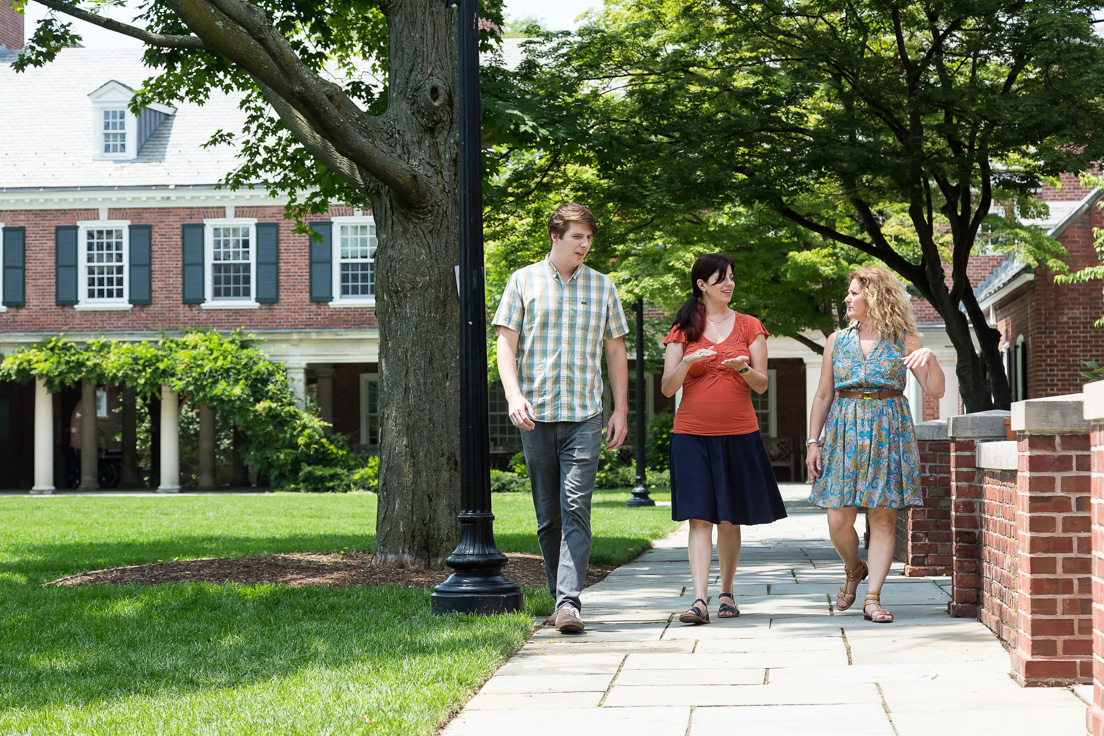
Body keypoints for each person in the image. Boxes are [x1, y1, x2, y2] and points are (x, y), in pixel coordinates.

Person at [493, 202, 629, 635]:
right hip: (535, 415)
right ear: (555, 236)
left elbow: (615, 351)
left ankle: (569, 604)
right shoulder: (523, 280)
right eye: (577, 237)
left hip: (585, 416)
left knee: (576, 506)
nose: (585, 244)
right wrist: (513, 395)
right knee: (549, 514)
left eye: (589, 238)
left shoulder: (603, 287)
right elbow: (505, 346)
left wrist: (620, 409)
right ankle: (559, 598)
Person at [806, 266, 945, 624]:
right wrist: (812, 442)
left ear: (875, 297)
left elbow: (936, 390)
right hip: (844, 429)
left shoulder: (903, 338)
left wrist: (930, 358)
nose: (846, 299)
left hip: (888, 428)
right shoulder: (837, 340)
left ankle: (872, 598)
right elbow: (823, 395)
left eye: (853, 293)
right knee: (838, 518)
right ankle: (854, 568)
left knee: (883, 520)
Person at [660, 253, 788, 625]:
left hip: (738, 434)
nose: (729, 284)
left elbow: (762, 385)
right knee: (699, 518)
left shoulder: (750, 326)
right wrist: (687, 362)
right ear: (702, 286)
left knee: (730, 519)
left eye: (731, 277)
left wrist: (743, 367)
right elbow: (668, 389)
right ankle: (699, 600)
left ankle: (727, 592)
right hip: (691, 435)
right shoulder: (682, 328)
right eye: (721, 279)